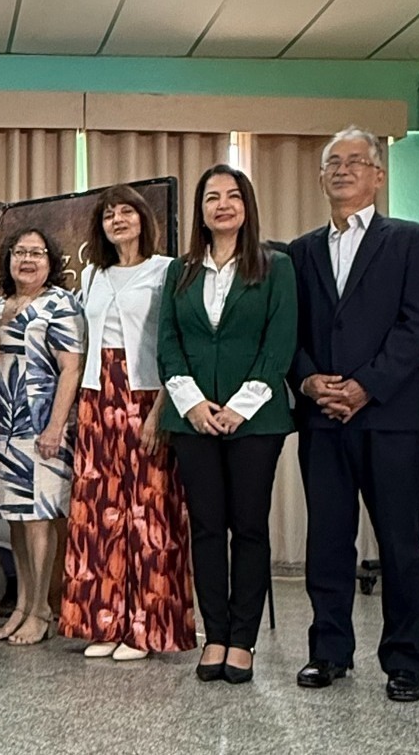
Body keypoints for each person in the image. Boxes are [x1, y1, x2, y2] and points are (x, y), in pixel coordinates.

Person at [288, 127, 419, 702]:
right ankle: (328, 652)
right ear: (321, 176)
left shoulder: (411, 240)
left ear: (379, 175)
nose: (344, 170)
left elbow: (417, 325)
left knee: (400, 543)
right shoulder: (300, 252)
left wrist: (365, 387)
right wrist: (307, 379)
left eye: (357, 161)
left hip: (392, 418)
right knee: (328, 539)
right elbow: (291, 331)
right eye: (333, 162)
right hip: (322, 418)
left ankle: (405, 662)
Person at [159, 165, 296, 683]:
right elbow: (168, 342)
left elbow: (279, 342)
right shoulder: (182, 271)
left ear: (247, 206)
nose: (222, 205)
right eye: (211, 197)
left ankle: (244, 640)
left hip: (255, 422)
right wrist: (193, 404)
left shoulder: (274, 266)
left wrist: (240, 406)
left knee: (250, 528)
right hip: (191, 420)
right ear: (200, 210)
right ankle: (214, 636)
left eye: (232, 196)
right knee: (208, 529)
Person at [61, 184, 196, 662]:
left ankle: (147, 628)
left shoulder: (167, 271)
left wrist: (161, 408)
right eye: (109, 214)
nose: (118, 220)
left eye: (126, 212)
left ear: (144, 219)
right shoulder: (94, 275)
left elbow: (175, 340)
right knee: (98, 513)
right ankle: (104, 622)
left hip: (146, 393)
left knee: (149, 511)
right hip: (99, 395)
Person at [0, 227, 85, 647]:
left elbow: (71, 368)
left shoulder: (60, 304)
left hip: (42, 426)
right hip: (0, 426)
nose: (27, 260)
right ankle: (23, 604)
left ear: (51, 260)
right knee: (17, 523)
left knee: (41, 519)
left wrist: (56, 425)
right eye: (19, 252)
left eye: (36, 253)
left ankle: (43, 607)